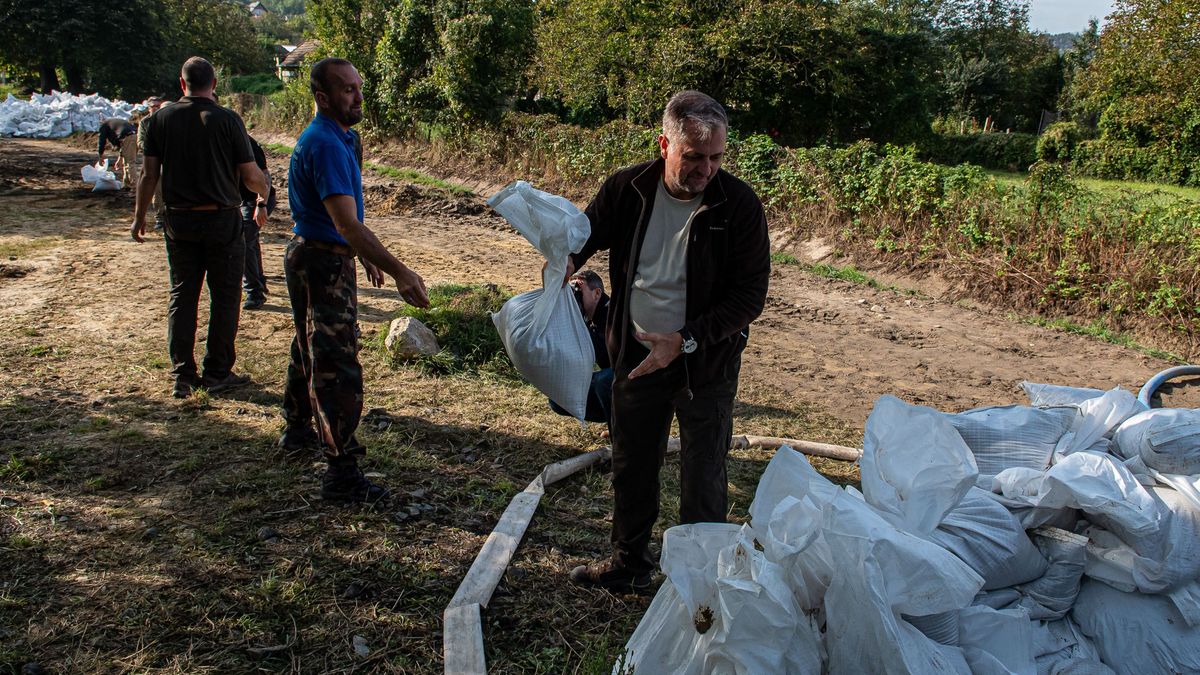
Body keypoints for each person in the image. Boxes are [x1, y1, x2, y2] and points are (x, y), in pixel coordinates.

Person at [565, 91, 771, 591]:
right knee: (632, 464)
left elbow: (750, 296)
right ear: (665, 145)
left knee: (703, 476)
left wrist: (685, 340)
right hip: (635, 358)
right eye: (694, 156)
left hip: (705, 361)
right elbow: (583, 235)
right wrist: (563, 262)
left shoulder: (737, 204)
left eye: (717, 157)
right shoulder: (628, 188)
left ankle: (701, 586)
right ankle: (628, 564)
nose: (706, 169)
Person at [281, 57, 430, 504]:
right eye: (347, 90)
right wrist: (401, 270)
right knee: (336, 363)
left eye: (359, 87)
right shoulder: (324, 143)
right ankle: (341, 474)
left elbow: (348, 219)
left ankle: (297, 429)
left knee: (310, 343)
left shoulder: (345, 137)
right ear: (322, 98)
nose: (358, 96)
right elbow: (345, 224)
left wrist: (363, 257)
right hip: (318, 260)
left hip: (327, 254)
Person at [130, 56, 270, 399]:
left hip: (178, 219)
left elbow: (149, 175)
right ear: (215, 83)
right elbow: (251, 175)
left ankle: (183, 375)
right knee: (225, 296)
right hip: (221, 218)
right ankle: (217, 372)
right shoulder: (227, 120)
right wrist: (265, 191)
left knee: (183, 293)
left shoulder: (158, 120)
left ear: (182, 83)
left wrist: (139, 216)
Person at [548, 270, 613, 430]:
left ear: (597, 293)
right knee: (557, 399)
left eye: (579, 292)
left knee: (603, 381)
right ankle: (616, 422)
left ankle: (622, 433)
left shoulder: (613, 315)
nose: (574, 298)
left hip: (635, 379)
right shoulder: (586, 320)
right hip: (615, 382)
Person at [240, 136, 276, 310]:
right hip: (238, 200)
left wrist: (261, 204)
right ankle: (259, 280)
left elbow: (264, 176)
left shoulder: (248, 144)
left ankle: (254, 292)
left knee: (245, 238)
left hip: (258, 198)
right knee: (250, 240)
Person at [136, 97, 168, 230]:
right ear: (148, 108)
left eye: (157, 106)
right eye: (152, 106)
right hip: (153, 159)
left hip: (170, 160)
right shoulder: (145, 122)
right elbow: (140, 142)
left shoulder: (167, 119)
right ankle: (160, 218)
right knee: (157, 190)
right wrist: (153, 148)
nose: (155, 108)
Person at [98, 116, 137, 185]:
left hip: (128, 137)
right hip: (135, 135)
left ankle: (134, 186)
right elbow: (121, 144)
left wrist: (100, 155)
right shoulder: (114, 123)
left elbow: (102, 141)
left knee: (130, 162)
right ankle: (126, 183)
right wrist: (120, 158)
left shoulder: (104, 126)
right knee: (126, 161)